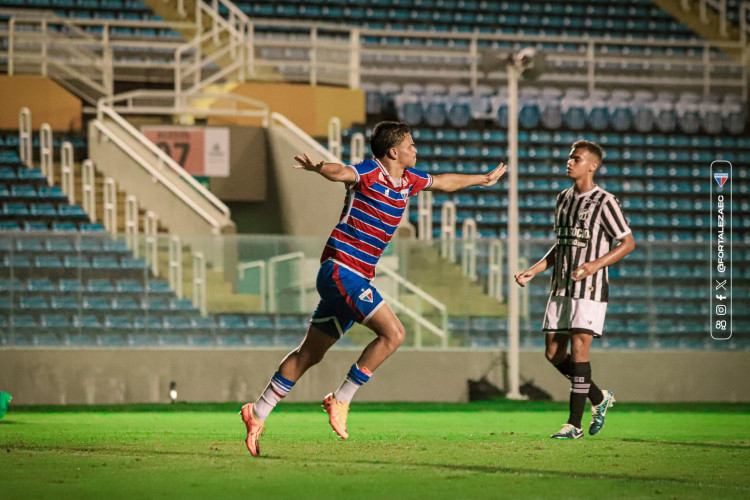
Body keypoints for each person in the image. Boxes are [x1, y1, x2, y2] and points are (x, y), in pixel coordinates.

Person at [240, 121, 507, 456]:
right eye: (410, 144)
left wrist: (482, 179)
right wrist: (319, 168)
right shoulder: (370, 172)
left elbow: (442, 183)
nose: (416, 149)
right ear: (393, 151)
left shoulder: (408, 181)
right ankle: (340, 399)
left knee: (311, 353)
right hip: (341, 269)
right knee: (394, 334)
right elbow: (341, 173)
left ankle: (258, 412)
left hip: (356, 277)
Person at [514, 140, 634, 439]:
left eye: (576, 158)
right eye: (570, 158)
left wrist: (594, 265)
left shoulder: (605, 201)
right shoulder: (563, 199)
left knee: (580, 350)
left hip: (590, 288)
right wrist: (536, 268)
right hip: (562, 287)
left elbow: (627, 242)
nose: (570, 162)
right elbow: (563, 243)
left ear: (592, 165)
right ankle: (599, 397)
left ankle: (574, 424)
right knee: (554, 353)